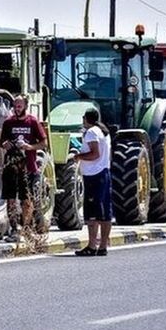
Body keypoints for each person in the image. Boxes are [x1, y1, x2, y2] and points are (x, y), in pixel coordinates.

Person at [0, 95, 47, 239]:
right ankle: (14, 229)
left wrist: (29, 147)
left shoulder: (32, 122)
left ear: (25, 106)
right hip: (11, 166)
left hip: (28, 166)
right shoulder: (8, 123)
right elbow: (2, 140)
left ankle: (27, 228)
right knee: (10, 199)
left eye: (20, 105)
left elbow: (44, 143)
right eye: (15, 105)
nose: (17, 108)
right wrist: (5, 144)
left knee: (26, 199)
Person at [74, 107, 113, 255]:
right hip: (104, 172)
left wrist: (79, 156)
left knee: (92, 213)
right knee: (104, 212)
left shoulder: (91, 132)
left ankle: (92, 245)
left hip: (93, 175)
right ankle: (102, 246)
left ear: (86, 118)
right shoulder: (104, 131)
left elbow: (94, 154)